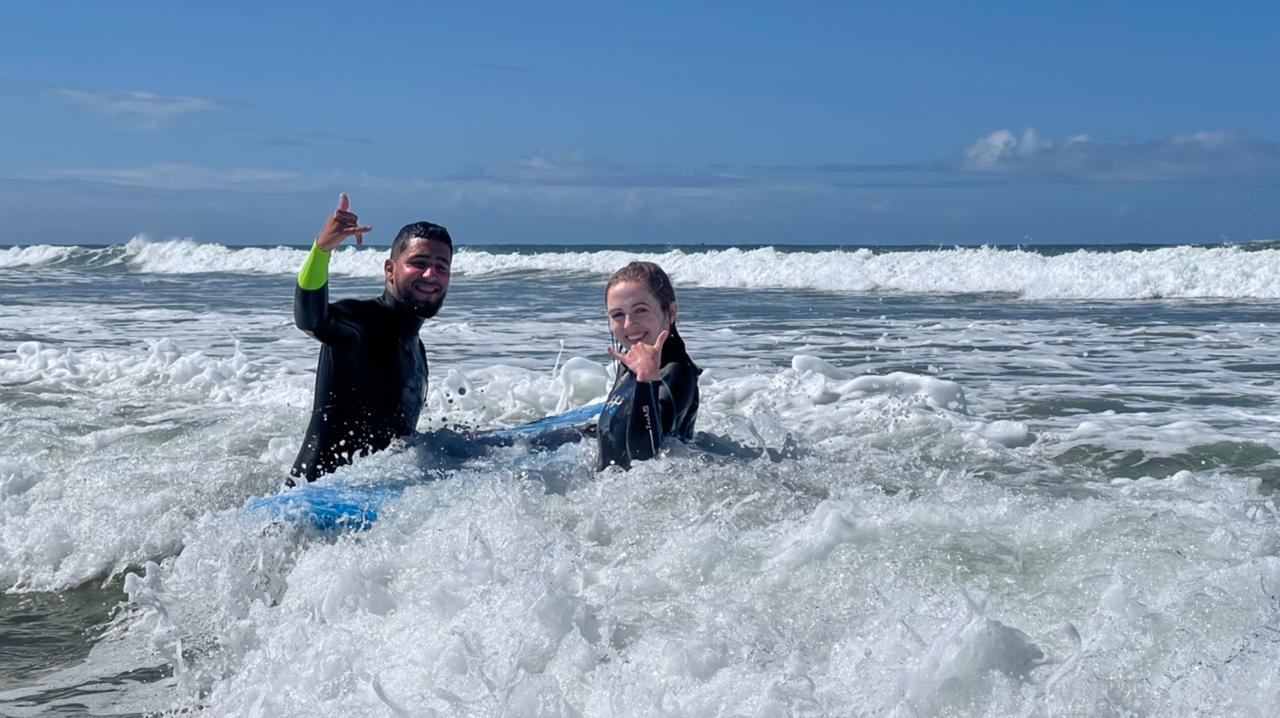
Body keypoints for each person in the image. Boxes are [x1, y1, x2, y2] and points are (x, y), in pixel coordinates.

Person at [288, 193, 454, 484]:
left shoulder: (416, 348)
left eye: (442, 266)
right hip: (312, 501)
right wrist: (321, 250)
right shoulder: (359, 322)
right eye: (419, 262)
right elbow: (311, 319)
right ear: (390, 270)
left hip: (372, 497)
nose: (431, 274)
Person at [596, 261, 700, 470]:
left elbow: (644, 456)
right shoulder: (631, 361)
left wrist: (647, 380)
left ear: (671, 311)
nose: (628, 324)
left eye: (640, 310)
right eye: (617, 315)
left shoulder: (676, 373)